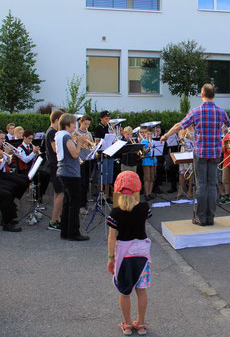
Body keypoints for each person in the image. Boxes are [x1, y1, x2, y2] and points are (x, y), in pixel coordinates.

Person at [162, 83, 230, 226]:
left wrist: (166, 135)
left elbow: (179, 126)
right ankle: (210, 217)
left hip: (200, 152)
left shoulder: (196, 111)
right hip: (215, 152)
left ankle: (200, 218)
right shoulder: (221, 111)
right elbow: (229, 126)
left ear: (202, 94)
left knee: (201, 185)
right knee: (212, 184)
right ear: (214, 95)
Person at [106, 171, 152, 336]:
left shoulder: (115, 213)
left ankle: (126, 324)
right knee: (141, 289)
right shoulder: (144, 208)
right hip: (142, 254)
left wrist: (111, 258)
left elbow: (112, 238)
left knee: (124, 291)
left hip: (124, 256)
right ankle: (140, 323)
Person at [56, 113, 89, 241]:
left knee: (67, 203)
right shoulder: (66, 137)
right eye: (73, 124)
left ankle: (65, 231)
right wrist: (79, 143)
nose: (75, 127)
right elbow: (75, 154)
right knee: (74, 203)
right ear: (68, 124)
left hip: (64, 171)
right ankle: (74, 233)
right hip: (70, 173)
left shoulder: (59, 135)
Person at [45, 109, 65, 231]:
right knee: (60, 193)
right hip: (55, 165)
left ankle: (57, 218)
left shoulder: (52, 131)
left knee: (58, 193)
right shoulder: (52, 132)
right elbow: (55, 150)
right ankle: (53, 221)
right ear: (57, 120)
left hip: (54, 165)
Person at [93, 110, 114, 202]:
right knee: (102, 175)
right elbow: (97, 142)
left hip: (110, 154)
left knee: (109, 175)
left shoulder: (109, 128)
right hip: (103, 154)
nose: (108, 120)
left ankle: (107, 195)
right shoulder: (98, 128)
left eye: (109, 118)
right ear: (101, 119)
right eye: (106, 119)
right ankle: (100, 196)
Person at [177, 127, 195, 199]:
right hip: (184, 151)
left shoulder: (196, 130)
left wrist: (189, 137)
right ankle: (181, 190)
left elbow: (197, 141)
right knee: (182, 172)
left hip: (192, 151)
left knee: (191, 172)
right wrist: (182, 136)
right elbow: (180, 140)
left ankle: (189, 191)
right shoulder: (182, 130)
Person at [141, 127, 156, 200]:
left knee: (152, 178)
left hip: (153, 161)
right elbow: (143, 153)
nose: (149, 135)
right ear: (145, 134)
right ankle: (146, 194)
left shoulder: (154, 141)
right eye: (148, 134)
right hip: (146, 161)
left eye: (150, 134)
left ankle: (150, 193)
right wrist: (149, 147)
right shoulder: (143, 142)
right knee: (147, 178)